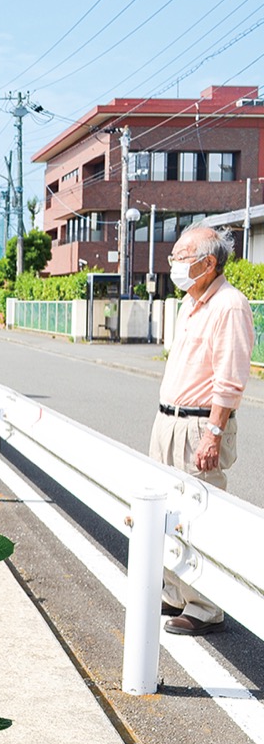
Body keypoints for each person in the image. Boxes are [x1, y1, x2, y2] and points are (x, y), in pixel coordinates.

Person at [151, 225, 254, 636]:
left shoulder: (229, 305)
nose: (174, 263)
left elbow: (229, 379)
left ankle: (205, 606)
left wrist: (214, 433)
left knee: (200, 513)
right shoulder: (190, 304)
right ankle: (176, 591)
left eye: (182, 256)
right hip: (170, 419)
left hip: (199, 425)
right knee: (168, 514)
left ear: (208, 263)